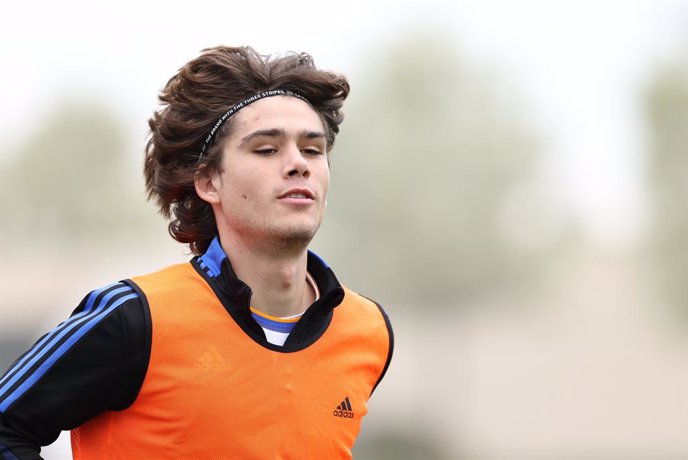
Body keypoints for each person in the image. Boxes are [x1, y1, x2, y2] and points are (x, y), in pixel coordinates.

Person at [0, 45, 394, 459]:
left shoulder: (369, 331)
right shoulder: (134, 318)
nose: (299, 164)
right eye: (267, 149)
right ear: (208, 182)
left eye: (313, 150)